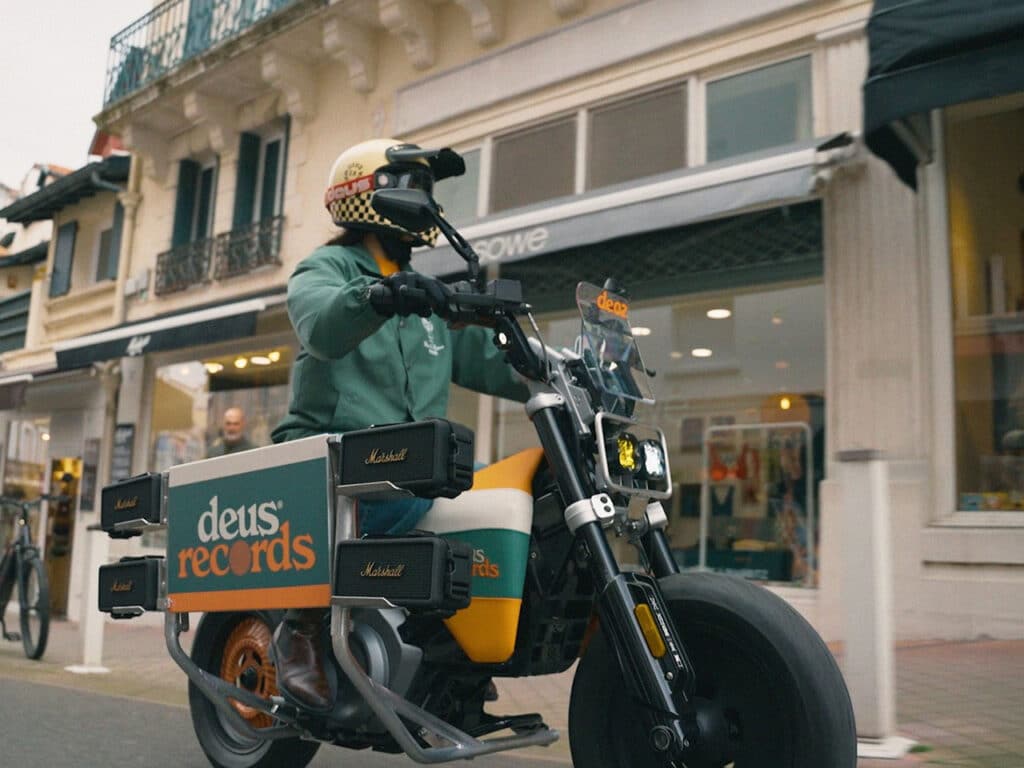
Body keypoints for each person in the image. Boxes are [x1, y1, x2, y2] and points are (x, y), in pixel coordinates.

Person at [269, 138, 529, 711]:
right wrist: (379, 295)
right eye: (409, 187)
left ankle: (447, 648)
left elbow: (489, 361)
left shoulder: (426, 296)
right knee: (386, 495)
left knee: (498, 499)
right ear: (363, 193)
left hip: (415, 467)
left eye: (426, 191)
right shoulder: (328, 268)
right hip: (332, 463)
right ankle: (300, 629)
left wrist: (554, 367)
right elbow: (322, 325)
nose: (423, 202)